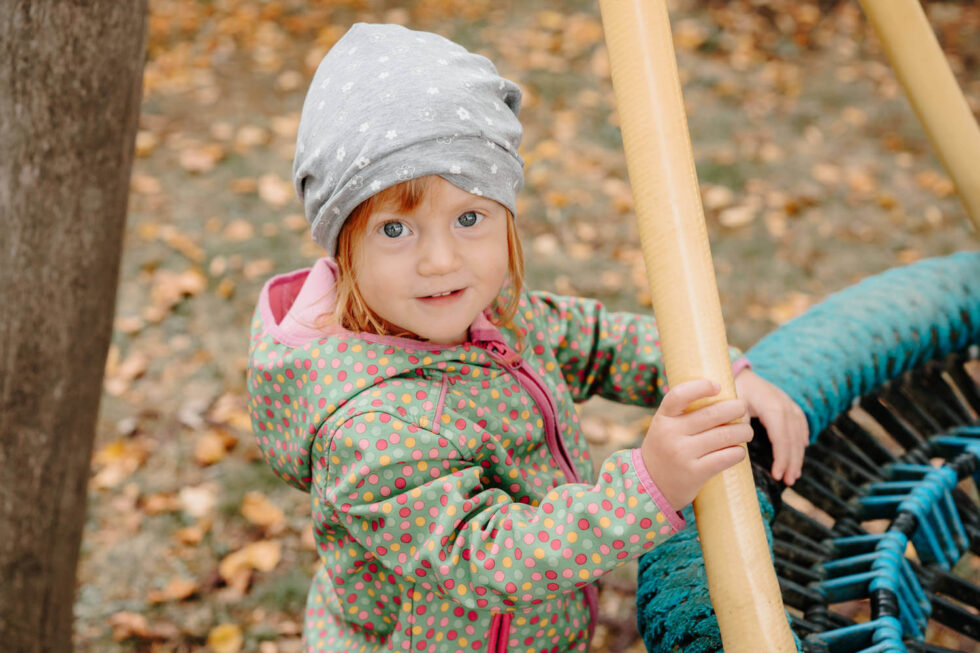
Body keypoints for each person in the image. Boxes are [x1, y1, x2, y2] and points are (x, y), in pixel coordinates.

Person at [247, 23, 808, 653]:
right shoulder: (370, 431)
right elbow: (485, 560)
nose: (440, 260)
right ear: (342, 241)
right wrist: (648, 485)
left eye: (469, 218)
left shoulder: (492, 315)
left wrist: (728, 370)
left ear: (506, 216)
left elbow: (599, 340)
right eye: (396, 229)